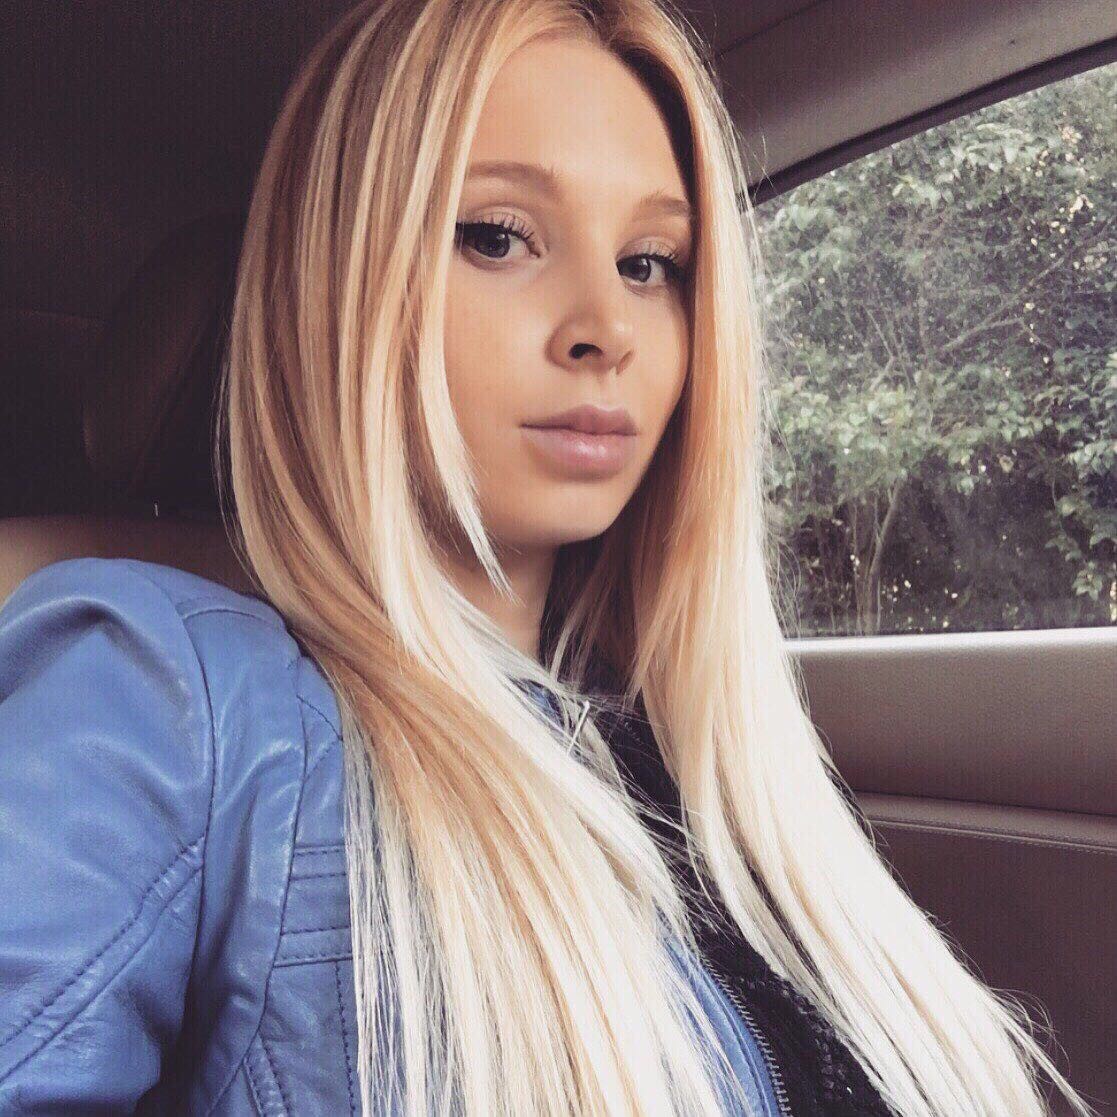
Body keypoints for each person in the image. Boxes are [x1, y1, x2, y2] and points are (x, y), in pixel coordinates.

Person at [0, 0, 1095, 1114]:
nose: (605, 328)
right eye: (496, 236)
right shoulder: (161, 694)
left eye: (649, 261)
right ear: (336, 287)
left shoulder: (722, 755)